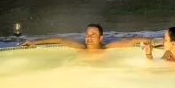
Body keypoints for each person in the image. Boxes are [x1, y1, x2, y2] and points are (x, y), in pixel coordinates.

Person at [20, 23, 154, 50]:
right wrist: (34, 42)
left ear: (100, 38)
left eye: (93, 34)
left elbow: (133, 40)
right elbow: (59, 40)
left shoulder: (107, 47)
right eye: (87, 34)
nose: (89, 37)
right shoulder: (80, 47)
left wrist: (158, 41)